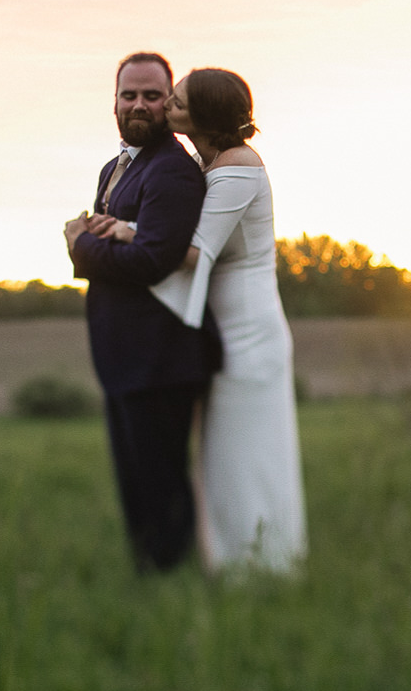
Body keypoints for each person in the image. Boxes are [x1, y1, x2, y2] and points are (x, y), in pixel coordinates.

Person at [88, 67, 306, 575]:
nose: (165, 107)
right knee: (221, 455)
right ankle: (227, 562)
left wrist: (119, 231)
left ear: (202, 114)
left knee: (250, 451)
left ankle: (267, 566)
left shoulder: (236, 168)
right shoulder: (209, 163)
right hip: (219, 322)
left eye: (177, 101)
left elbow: (191, 253)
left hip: (247, 325)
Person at [63, 52, 221, 573]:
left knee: (160, 482)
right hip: (122, 355)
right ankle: (150, 579)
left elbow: (152, 260)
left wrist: (80, 246)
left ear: (170, 103)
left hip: (160, 358)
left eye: (153, 96)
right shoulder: (116, 168)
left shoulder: (173, 170)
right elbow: (123, 255)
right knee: (133, 480)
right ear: (113, 101)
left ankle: (171, 585)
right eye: (129, 94)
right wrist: (96, 243)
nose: (139, 105)